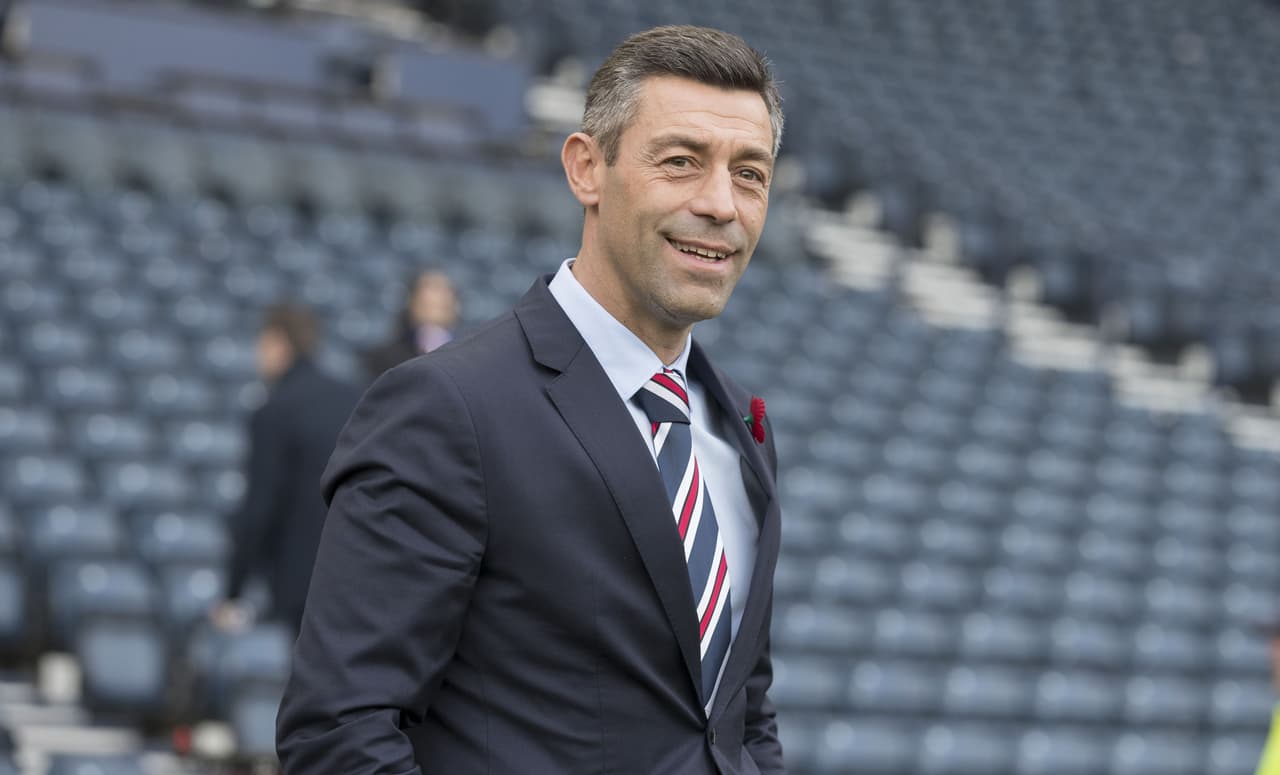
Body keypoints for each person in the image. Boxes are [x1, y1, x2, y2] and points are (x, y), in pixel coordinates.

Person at [277, 25, 787, 775]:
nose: (721, 203)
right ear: (586, 168)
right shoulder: (447, 407)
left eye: (750, 174)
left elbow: (741, 717)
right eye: (681, 161)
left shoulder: (742, 428)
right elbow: (338, 733)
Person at [211, 303, 360, 634]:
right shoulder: (355, 396)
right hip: (359, 569)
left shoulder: (274, 411)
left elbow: (259, 507)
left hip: (302, 582)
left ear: (277, 342)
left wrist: (232, 592)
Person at [361, 269, 459, 380]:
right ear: (412, 301)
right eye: (433, 288)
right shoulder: (384, 358)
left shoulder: (464, 356)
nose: (441, 296)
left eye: (446, 290)